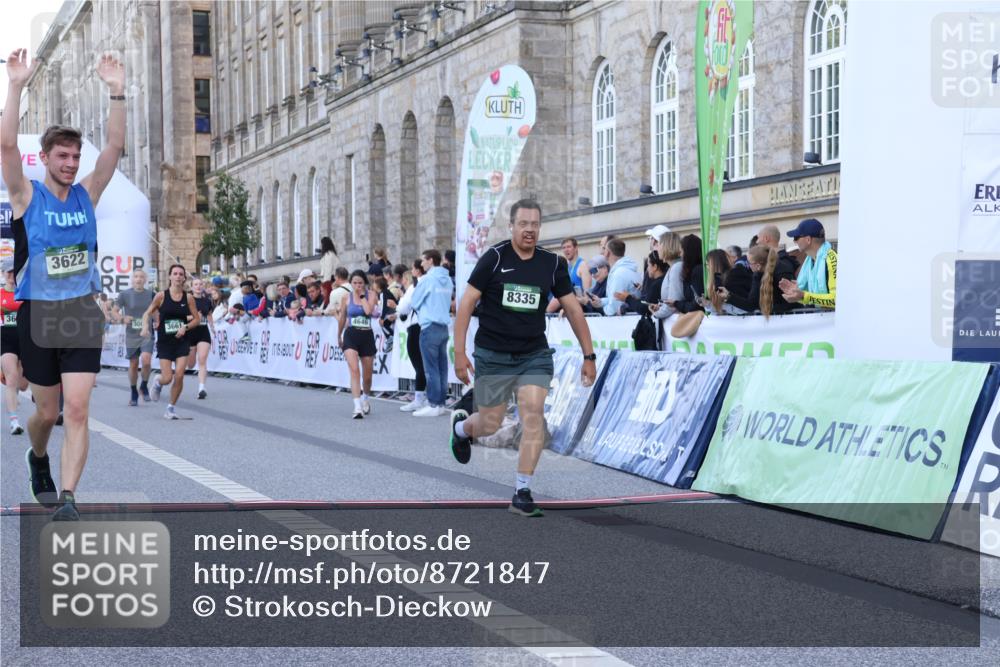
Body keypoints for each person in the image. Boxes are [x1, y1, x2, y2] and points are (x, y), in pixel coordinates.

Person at [4, 49, 126, 520]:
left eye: (77, 156)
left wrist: (116, 90)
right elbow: (6, 147)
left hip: (79, 311)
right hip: (38, 313)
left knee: (77, 410)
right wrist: (15, 85)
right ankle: (38, 457)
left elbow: (113, 149)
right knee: (47, 413)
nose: (73, 163)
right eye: (64, 156)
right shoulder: (25, 194)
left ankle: (70, 498)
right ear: (47, 158)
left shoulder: (86, 195)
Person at [451, 199, 597, 517]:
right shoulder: (494, 258)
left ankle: (522, 491)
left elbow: (572, 308)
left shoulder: (552, 264)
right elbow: (466, 304)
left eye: (534, 224)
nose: (529, 230)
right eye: (523, 224)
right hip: (493, 354)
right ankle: (462, 430)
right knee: (489, 422)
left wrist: (589, 354)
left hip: (534, 353)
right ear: (512, 226)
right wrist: (459, 352)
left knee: (533, 414)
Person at [142, 264, 200, 419]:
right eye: (175, 273)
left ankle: (171, 408)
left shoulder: (188, 298)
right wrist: (144, 328)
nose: (178, 276)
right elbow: (147, 313)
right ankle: (158, 382)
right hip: (165, 341)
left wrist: (185, 327)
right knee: (167, 378)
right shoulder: (161, 296)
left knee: (180, 375)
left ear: (184, 278)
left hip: (182, 340)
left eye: (181, 274)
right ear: (170, 277)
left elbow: (197, 319)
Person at [401, 249, 453, 418]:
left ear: (431, 260)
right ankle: (440, 403)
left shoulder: (428, 279)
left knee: (431, 368)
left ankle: (434, 403)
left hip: (429, 326)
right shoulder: (447, 279)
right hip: (443, 327)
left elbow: (415, 302)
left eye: (423, 260)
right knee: (441, 367)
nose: (421, 264)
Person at [337, 270, 379, 419]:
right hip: (351, 335)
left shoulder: (371, 295)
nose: (357, 285)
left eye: (360, 283)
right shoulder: (345, 297)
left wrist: (362, 296)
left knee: (367, 377)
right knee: (354, 370)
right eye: (354, 283)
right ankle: (357, 407)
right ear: (351, 283)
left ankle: (365, 398)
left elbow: (368, 311)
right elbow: (342, 317)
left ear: (365, 283)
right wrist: (339, 335)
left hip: (366, 335)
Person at [719, 244, 798, 318]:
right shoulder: (757, 275)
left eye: (749, 263)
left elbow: (792, 301)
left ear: (758, 265)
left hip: (791, 319)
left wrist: (768, 309)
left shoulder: (782, 272)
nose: (747, 265)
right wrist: (728, 296)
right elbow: (751, 305)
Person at [392, 266, 429, 412]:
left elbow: (403, 308)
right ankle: (427, 397)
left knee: (418, 364)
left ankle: (420, 398)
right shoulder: (429, 284)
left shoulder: (414, 287)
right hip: (427, 325)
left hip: (417, 326)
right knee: (427, 364)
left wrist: (401, 299)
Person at [779, 218, 837, 309]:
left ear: (808, 240)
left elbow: (837, 299)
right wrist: (799, 293)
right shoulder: (811, 260)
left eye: (796, 238)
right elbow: (810, 297)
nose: (794, 241)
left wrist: (804, 296)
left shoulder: (832, 259)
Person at [117, 268, 155, 405]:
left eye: (141, 277)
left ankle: (144, 385)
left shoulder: (151, 294)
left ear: (145, 280)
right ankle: (133, 391)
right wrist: (122, 318)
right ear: (132, 279)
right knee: (133, 365)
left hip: (147, 333)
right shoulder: (124, 294)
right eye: (136, 277)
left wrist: (157, 321)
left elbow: (156, 312)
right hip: (132, 335)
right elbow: (114, 312)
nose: (138, 279)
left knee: (146, 361)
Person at [1, 262, 27, 435]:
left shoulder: (24, 293)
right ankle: (14, 421)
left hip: (24, 341)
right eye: (8, 272)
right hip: (5, 340)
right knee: (11, 379)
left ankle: (18, 394)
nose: (11, 276)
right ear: (3, 273)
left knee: (23, 384)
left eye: (13, 272)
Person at [185, 277, 214, 399]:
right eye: (195, 284)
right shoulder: (186, 300)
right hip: (190, 332)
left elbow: (209, 314)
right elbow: (182, 317)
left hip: (203, 332)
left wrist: (212, 325)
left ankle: (202, 388)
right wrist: (194, 317)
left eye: (200, 284)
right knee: (191, 365)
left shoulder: (207, 300)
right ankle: (189, 363)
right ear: (191, 287)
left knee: (202, 359)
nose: (198, 286)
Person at [602, 239, 640, 316]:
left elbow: (614, 306)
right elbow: (615, 299)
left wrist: (600, 309)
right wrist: (600, 302)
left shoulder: (619, 274)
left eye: (604, 249)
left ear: (608, 253)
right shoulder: (626, 269)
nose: (602, 252)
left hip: (624, 322)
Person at [318, 236, 340, 306]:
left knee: (329, 298)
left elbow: (328, 269)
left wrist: (325, 283)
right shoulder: (332, 254)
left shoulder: (328, 255)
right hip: (331, 278)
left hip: (330, 279)